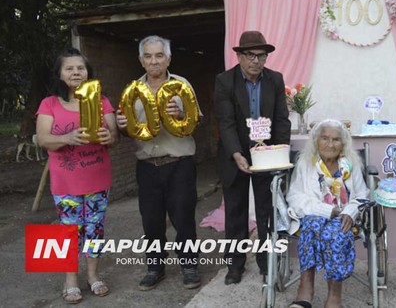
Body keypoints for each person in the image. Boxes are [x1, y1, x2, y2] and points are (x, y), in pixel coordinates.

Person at [116, 35, 202, 291]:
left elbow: (197, 119)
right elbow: (127, 127)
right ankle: (155, 267)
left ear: (168, 59)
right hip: (147, 165)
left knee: (183, 217)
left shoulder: (182, 84)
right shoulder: (131, 90)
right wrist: (121, 127)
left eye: (159, 55)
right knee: (151, 221)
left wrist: (182, 113)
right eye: (148, 56)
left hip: (179, 163)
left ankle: (189, 265)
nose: (154, 61)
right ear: (141, 60)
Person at [36, 48, 118, 304]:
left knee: (95, 230)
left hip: (97, 180)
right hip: (65, 182)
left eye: (80, 68)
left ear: (87, 72)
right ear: (60, 73)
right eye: (69, 68)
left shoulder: (101, 101)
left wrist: (110, 136)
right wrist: (67, 138)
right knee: (68, 231)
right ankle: (70, 280)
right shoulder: (49, 103)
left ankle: (93, 276)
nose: (76, 72)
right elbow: (42, 139)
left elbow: (114, 137)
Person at [214, 30, 291, 284]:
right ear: (239, 56)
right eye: (250, 55)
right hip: (233, 152)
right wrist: (236, 153)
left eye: (262, 55)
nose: (256, 61)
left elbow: (281, 119)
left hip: (266, 152)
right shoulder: (225, 81)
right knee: (235, 211)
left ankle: (266, 261)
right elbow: (225, 123)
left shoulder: (275, 80)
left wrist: (278, 152)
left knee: (266, 210)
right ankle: (235, 266)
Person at [286, 119, 369, 308]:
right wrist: (327, 210)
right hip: (313, 215)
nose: (330, 144)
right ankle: (305, 289)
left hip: (344, 219)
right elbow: (295, 196)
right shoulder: (305, 164)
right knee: (312, 225)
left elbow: (363, 194)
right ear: (316, 140)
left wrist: (350, 211)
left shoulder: (351, 164)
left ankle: (334, 296)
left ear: (343, 143)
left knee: (337, 232)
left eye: (336, 139)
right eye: (325, 138)